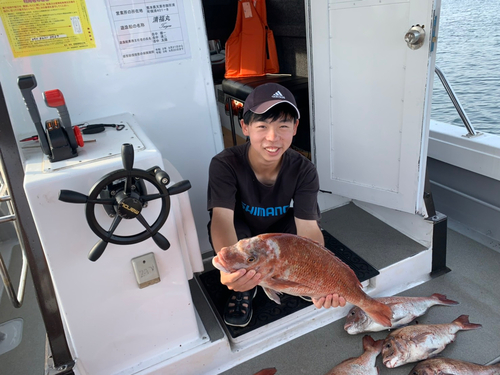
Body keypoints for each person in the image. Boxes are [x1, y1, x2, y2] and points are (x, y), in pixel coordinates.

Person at [207, 82, 346, 327]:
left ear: (295, 128)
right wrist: (231, 272)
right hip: (243, 234)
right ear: (245, 127)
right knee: (236, 240)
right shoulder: (225, 164)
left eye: (283, 126)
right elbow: (221, 219)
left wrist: (319, 276)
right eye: (262, 126)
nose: (273, 138)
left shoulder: (304, 169)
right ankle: (243, 288)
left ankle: (296, 282)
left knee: (299, 238)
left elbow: (309, 229)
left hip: (280, 233)